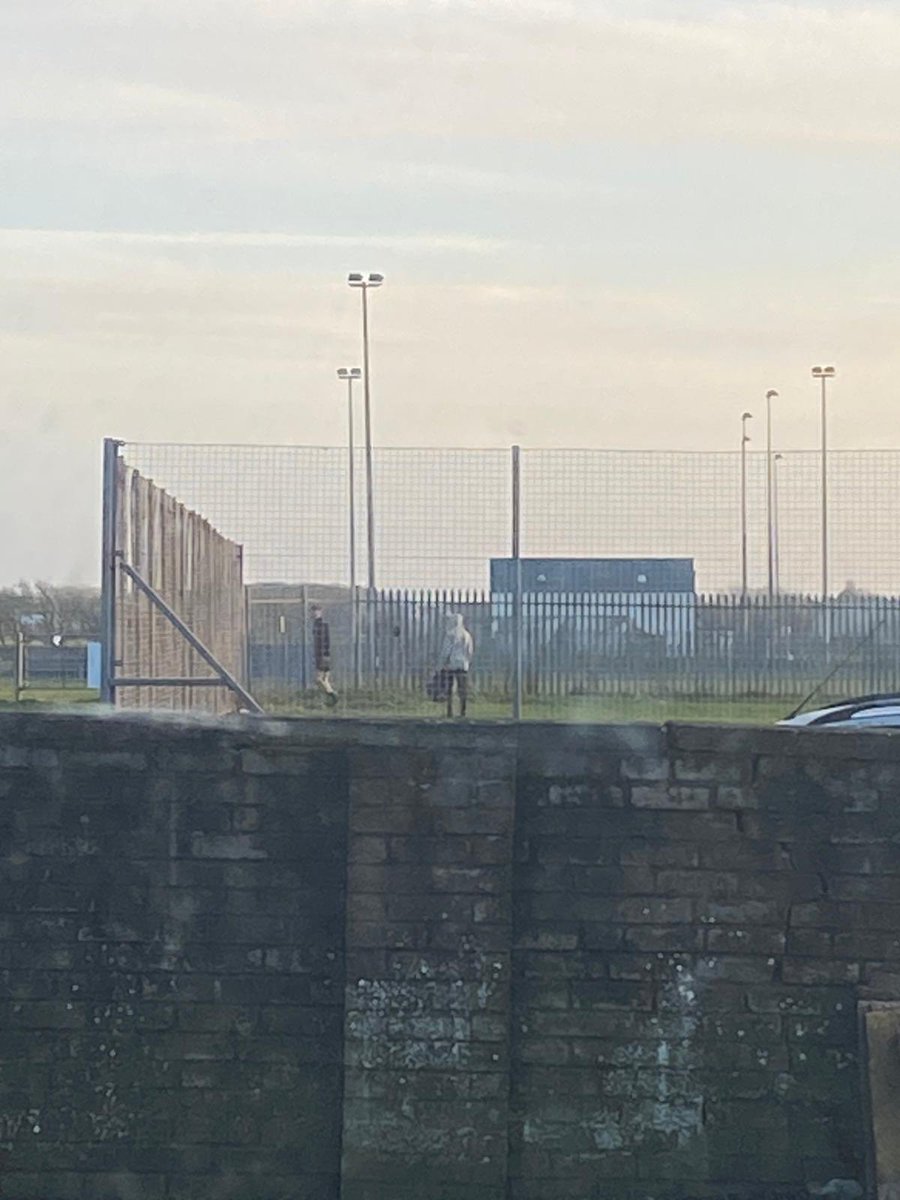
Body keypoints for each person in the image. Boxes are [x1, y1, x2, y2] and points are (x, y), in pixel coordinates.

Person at [440, 612, 473, 718]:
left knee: (449, 688)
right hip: (463, 664)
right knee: (462, 688)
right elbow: (470, 650)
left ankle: (450, 710)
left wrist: (443, 661)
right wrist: (467, 660)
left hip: (451, 664)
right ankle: (463, 711)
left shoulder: (450, 634)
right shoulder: (467, 635)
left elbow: (446, 650)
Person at [311, 604, 338, 707]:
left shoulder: (321, 625)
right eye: (313, 611)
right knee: (324, 679)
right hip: (323, 654)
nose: (314, 613)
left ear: (320, 612)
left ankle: (332, 695)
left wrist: (323, 653)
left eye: (316, 611)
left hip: (322, 654)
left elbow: (323, 641)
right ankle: (328, 699)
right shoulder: (317, 624)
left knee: (319, 679)